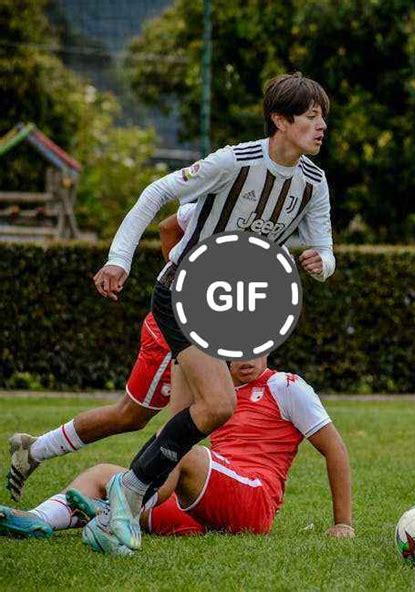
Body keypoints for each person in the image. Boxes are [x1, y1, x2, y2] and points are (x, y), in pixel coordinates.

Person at [92, 72, 336, 552]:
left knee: (183, 421)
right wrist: (119, 259)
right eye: (311, 116)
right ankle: (128, 491)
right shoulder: (233, 161)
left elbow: (325, 250)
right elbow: (155, 194)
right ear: (280, 120)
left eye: (323, 116)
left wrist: (320, 263)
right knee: (221, 405)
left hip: (230, 307)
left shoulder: (314, 182)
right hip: (181, 292)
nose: (322, 125)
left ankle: (100, 512)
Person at [0, 356, 353, 554]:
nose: (246, 356)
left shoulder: (287, 386)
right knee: (101, 473)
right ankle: (39, 519)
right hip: (203, 503)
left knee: (184, 452)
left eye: (255, 345)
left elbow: (334, 449)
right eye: (237, 346)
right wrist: (183, 351)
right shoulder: (216, 392)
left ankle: (116, 516)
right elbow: (172, 428)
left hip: (253, 500)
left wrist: (343, 523)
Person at [6, 204, 196, 502]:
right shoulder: (231, 196)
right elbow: (168, 226)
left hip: (202, 326)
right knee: (136, 416)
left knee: (199, 413)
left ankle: (135, 495)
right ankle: (123, 495)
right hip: (175, 330)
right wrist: (183, 289)